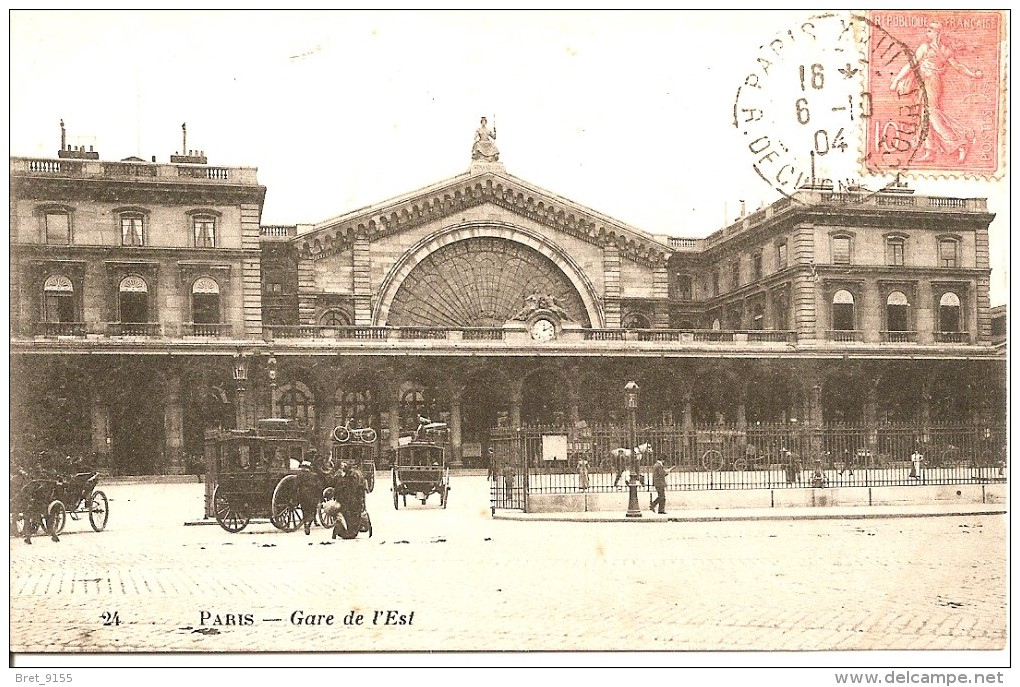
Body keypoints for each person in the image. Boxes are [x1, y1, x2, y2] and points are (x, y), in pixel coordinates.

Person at [890, 21, 984, 163]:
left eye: (930, 30)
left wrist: (897, 80)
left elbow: (957, 66)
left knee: (932, 115)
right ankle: (930, 151)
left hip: (932, 82)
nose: (927, 32)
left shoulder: (929, 48)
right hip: (924, 83)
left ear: (937, 33)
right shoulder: (937, 48)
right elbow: (957, 66)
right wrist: (973, 74)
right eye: (927, 30)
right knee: (923, 116)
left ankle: (959, 144)